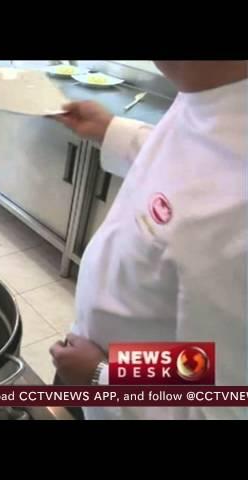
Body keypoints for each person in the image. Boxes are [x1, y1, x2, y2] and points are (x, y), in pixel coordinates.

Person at [49, 61, 248, 420]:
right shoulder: (208, 91)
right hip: (92, 359)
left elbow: (225, 404)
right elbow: (190, 168)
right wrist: (113, 131)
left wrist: (102, 377)